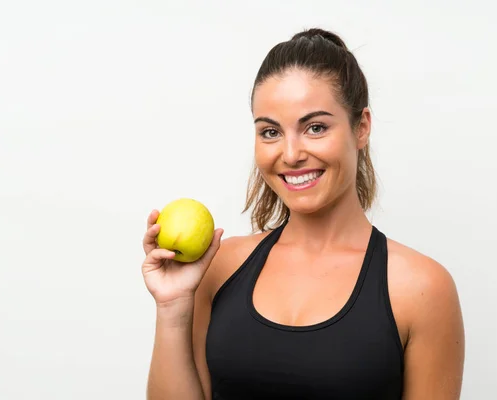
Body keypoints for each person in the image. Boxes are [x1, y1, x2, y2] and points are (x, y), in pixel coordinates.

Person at [141, 28, 465, 400]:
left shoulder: (421, 288)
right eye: (270, 132)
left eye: (315, 127)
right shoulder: (220, 266)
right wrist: (172, 307)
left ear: (361, 128)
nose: (291, 153)